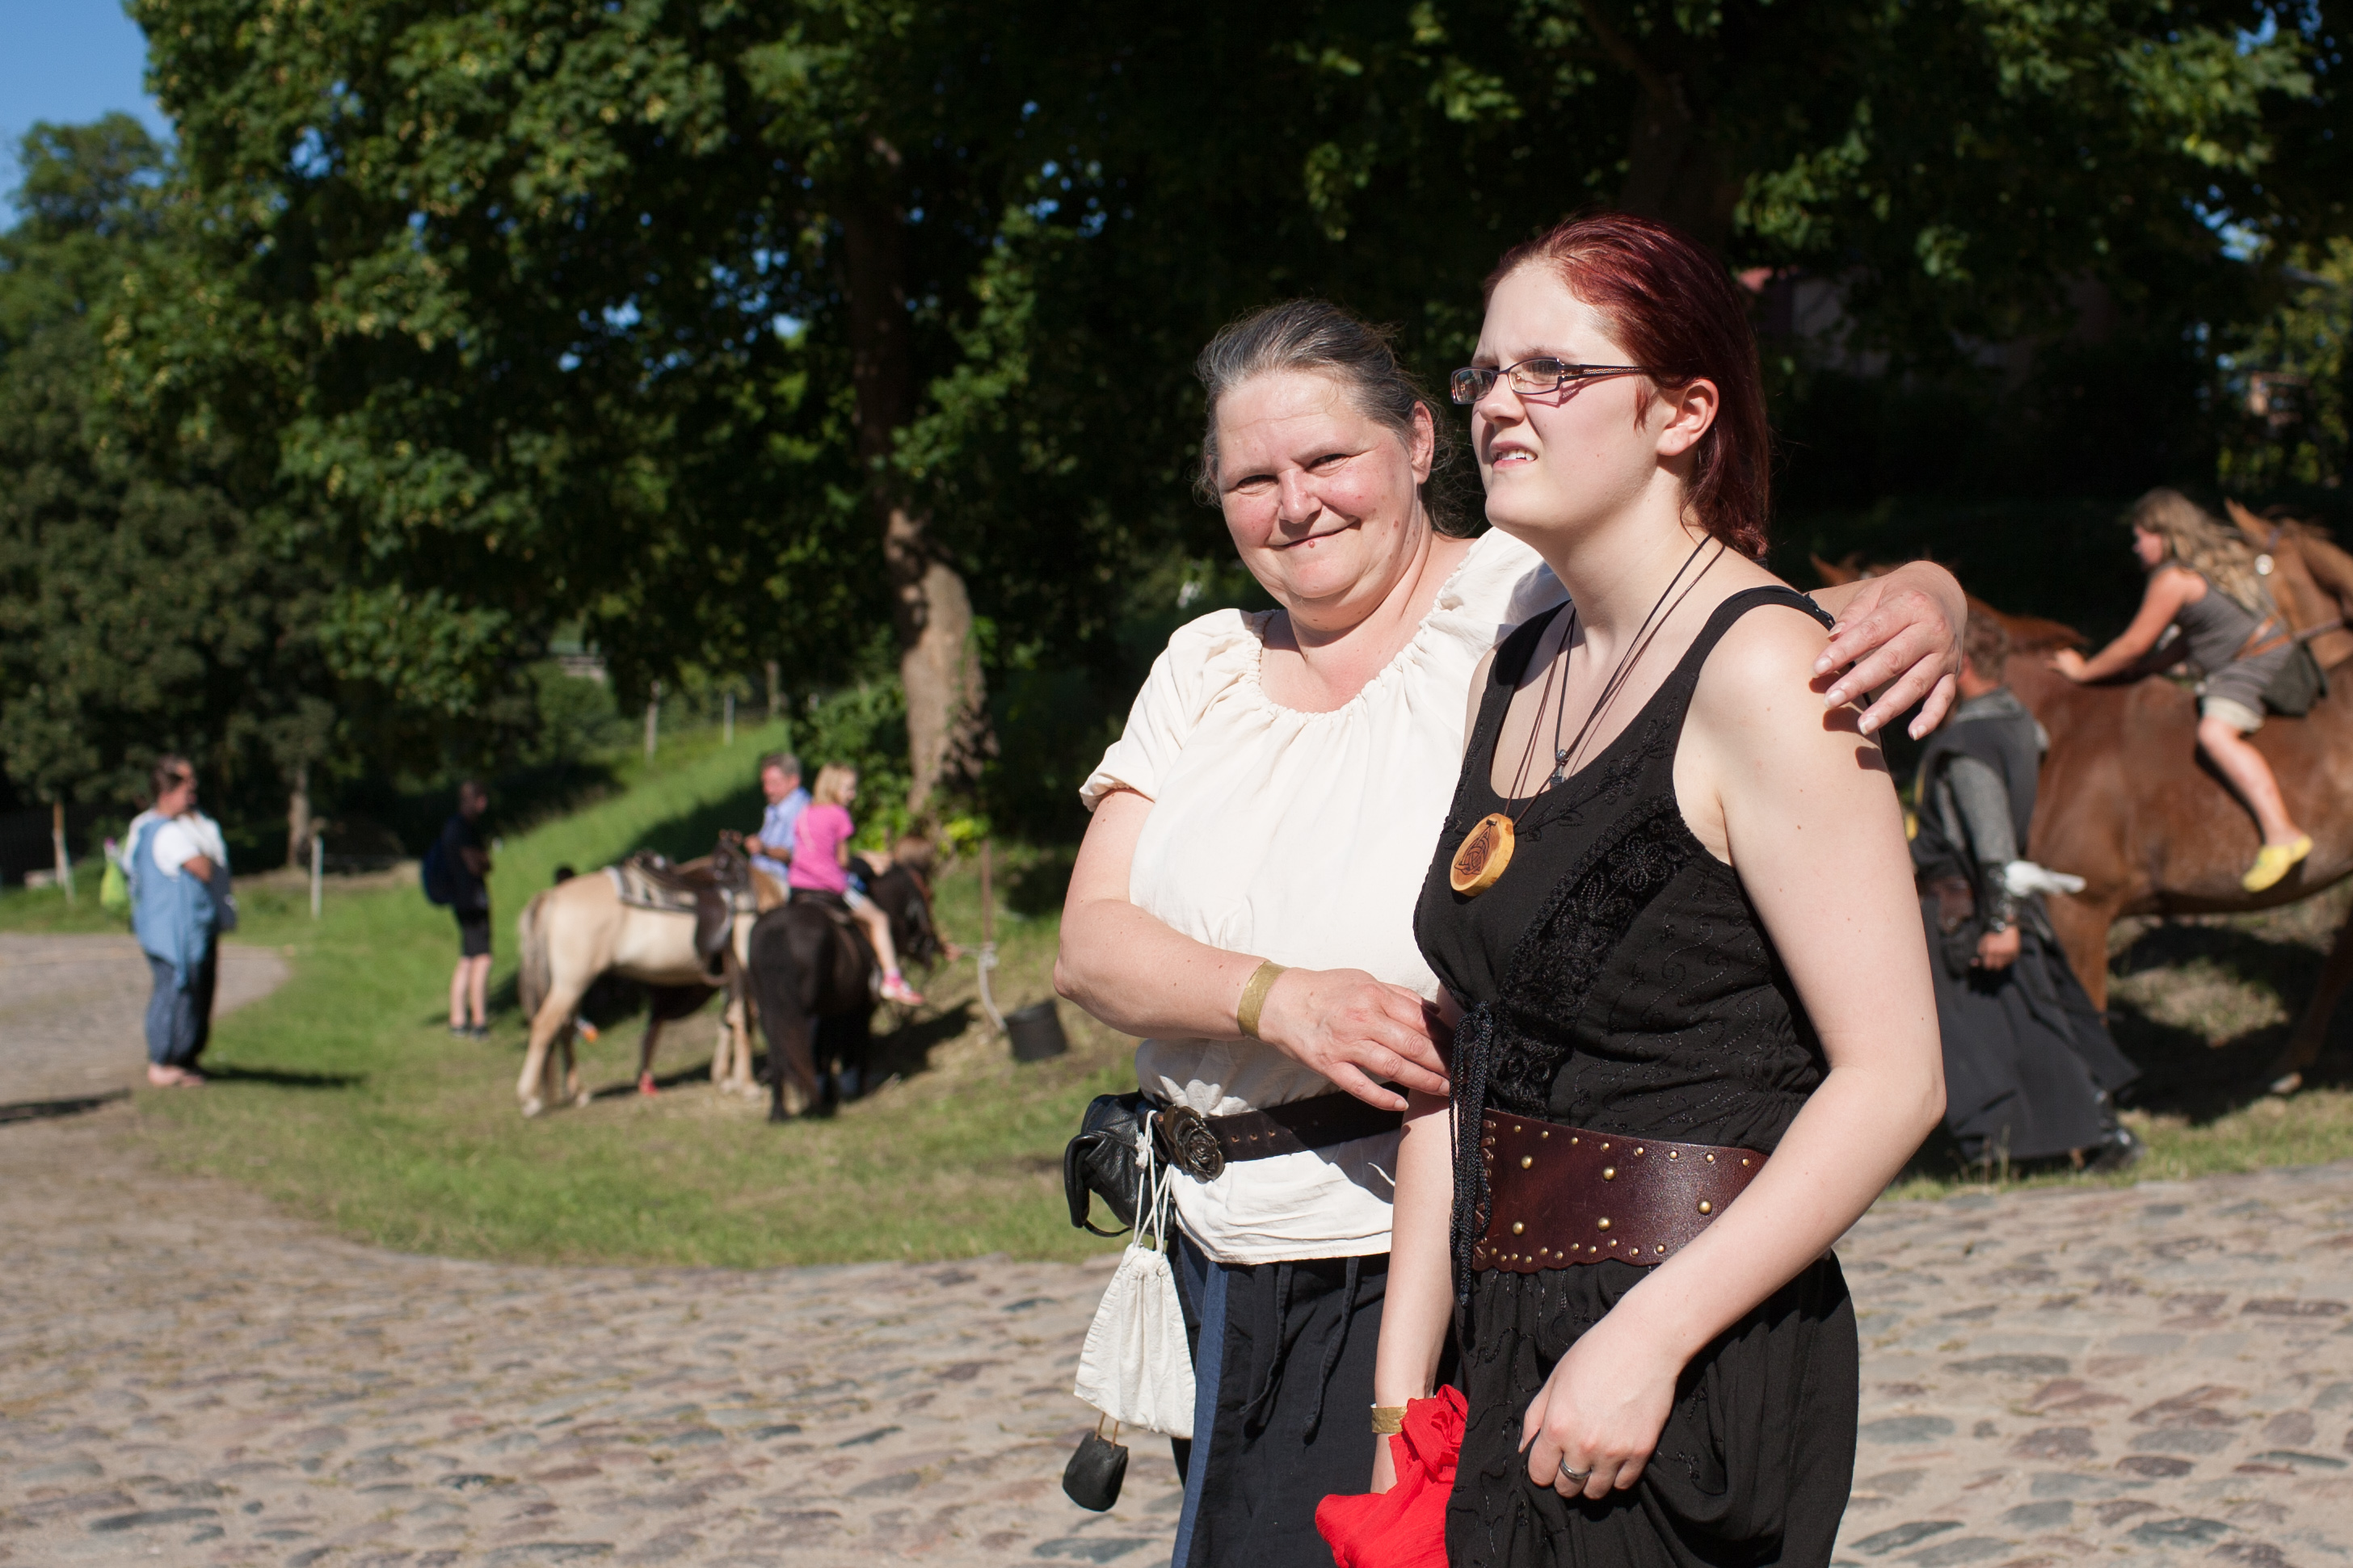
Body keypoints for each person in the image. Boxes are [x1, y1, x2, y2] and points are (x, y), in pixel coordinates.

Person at [1054, 293, 1964, 1568]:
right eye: (1253, 480)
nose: (1295, 504)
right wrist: (1281, 998)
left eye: (1327, 459)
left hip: (1417, 1238)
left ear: (1420, 442)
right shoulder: (1204, 663)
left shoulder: (1516, 596)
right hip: (1218, 1242)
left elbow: (1758, 616)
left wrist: (1932, 591)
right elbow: (1089, 945)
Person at [1363, 212, 1946, 1568]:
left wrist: (1648, 1338)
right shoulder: (1516, 659)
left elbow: (1894, 1080)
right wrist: (1402, 1395)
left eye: (1554, 371)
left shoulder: (1768, 673)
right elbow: (1468, 1043)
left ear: (1684, 411)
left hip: (1681, 1363)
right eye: (1484, 371)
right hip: (1500, 1336)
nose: (1499, 402)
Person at [1913, 615, 2142, 1171]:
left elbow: (1991, 840)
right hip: (1993, 902)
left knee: (1999, 1037)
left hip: (1969, 911)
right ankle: (2051, 1140)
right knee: (2027, 1026)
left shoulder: (1967, 744)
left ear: (1964, 666)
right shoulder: (2019, 722)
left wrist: (2000, 922)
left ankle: (2056, 1139)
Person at [2049, 488, 2312, 891]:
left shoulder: (2173, 579)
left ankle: (2283, 834)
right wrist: (2149, 669)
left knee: (2215, 734)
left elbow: (2133, 643)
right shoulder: (2203, 567)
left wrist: (2084, 672)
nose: (2136, 547)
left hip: (2253, 664)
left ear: (2164, 534)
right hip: (2271, 648)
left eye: (2141, 537)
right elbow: (2191, 638)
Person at [126, 755, 235, 1087]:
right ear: (167, 790)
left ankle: (179, 1060)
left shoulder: (171, 826)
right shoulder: (165, 831)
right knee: (172, 995)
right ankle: (163, 1061)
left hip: (179, 932)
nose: (193, 791)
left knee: (186, 996)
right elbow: (203, 867)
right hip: (170, 934)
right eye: (186, 785)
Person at [788, 763, 924, 1006]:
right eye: (848, 789)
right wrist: (867, 862)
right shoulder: (838, 814)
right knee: (879, 919)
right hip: (830, 885)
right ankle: (892, 979)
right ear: (832, 787)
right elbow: (842, 861)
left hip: (798, 884)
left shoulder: (805, 812)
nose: (853, 794)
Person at [442, 780, 494, 1038]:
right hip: (473, 901)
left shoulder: (452, 826)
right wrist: (485, 861)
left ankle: (458, 1019)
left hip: (460, 900)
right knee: (482, 959)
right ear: (473, 800)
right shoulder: (463, 828)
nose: (484, 804)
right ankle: (479, 1021)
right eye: (481, 799)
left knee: (467, 959)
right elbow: (476, 864)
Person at [743, 752, 809, 887]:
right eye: (765, 783)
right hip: (760, 879)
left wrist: (763, 849)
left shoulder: (804, 810)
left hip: (783, 884)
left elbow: (794, 855)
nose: (768, 790)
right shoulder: (774, 808)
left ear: (793, 781)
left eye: (774, 783)